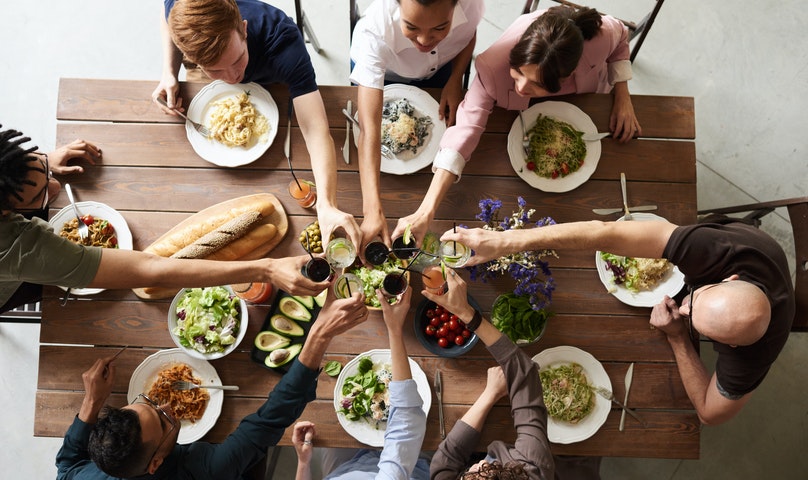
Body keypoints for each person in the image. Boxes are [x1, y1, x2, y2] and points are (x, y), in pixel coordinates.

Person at [440, 216, 795, 425]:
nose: (682, 306)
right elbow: (605, 232)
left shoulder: (753, 357)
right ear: (729, 279)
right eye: (695, 300)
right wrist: (507, 241)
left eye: (692, 319)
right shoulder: (719, 251)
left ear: (731, 346)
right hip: (740, 244)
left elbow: (709, 412)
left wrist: (677, 337)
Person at [55, 284, 369, 479]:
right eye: (164, 421)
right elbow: (270, 420)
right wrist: (319, 335)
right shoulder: (206, 470)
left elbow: (66, 465)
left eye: (148, 404)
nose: (167, 405)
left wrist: (92, 402)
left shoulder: (83, 477)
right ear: (156, 464)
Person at [0, 125, 327, 313]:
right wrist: (267, 268)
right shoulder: (20, 248)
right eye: (41, 196)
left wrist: (40, 166)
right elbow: (147, 269)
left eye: (41, 165)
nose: (57, 187)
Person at [392, 6, 642, 245]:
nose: (521, 88)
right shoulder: (492, 67)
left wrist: (622, 94)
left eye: (536, 84)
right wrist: (426, 210)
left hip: (587, 103)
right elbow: (465, 130)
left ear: (566, 76)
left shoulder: (601, 37)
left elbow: (622, 37)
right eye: (518, 72)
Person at [152, 0, 361, 250]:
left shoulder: (283, 43)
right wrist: (169, 72)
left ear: (243, 29)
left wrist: (326, 204)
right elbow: (168, 20)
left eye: (238, 59)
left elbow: (315, 129)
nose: (232, 78)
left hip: (272, 76)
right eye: (215, 70)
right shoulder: (183, 10)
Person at [350, 0, 484, 245]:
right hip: (386, 73)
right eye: (411, 27)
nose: (424, 40)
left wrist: (455, 78)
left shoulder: (472, 6)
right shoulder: (375, 32)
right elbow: (370, 130)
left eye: (440, 28)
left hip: (441, 67)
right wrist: (372, 211)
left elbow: (469, 34)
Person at [424, 271, 554, 479]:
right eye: (487, 470)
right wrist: (467, 314)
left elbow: (443, 464)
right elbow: (524, 374)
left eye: (469, 476)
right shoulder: (534, 469)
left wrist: (490, 395)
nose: (479, 464)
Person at [292, 287, 430, 479]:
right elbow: (406, 425)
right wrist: (394, 329)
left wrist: (304, 462)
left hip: (345, 469)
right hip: (410, 469)